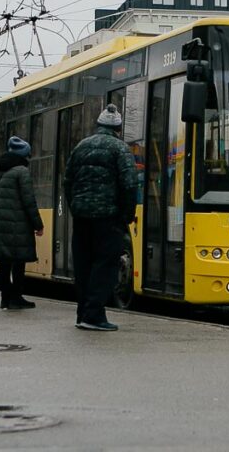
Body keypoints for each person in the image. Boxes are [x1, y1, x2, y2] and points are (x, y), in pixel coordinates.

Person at [63, 104, 138, 331]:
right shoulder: (120, 149)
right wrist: (126, 216)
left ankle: (82, 313)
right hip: (108, 217)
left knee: (84, 266)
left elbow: (68, 181)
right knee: (105, 265)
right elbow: (129, 184)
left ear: (99, 125)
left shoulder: (81, 147)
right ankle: (94, 315)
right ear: (118, 127)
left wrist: (75, 207)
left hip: (82, 216)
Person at [0, 136, 44, 311]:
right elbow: (29, 201)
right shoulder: (22, 172)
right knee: (19, 263)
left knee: (4, 263)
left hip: (0, 224)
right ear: (24, 155)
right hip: (18, 225)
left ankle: (5, 299)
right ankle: (16, 298)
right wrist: (38, 224)